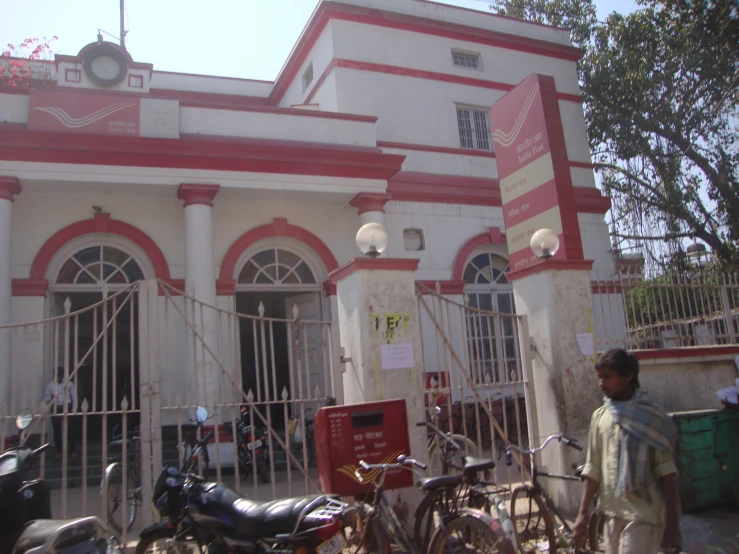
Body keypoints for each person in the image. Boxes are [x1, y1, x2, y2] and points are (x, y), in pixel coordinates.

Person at [573, 349, 682, 554]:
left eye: (607, 377)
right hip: (612, 513)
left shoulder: (650, 418)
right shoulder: (600, 417)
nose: (601, 383)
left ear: (628, 376)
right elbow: (593, 469)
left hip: (645, 515)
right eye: (599, 377)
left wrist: (673, 525)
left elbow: (666, 473)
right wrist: (582, 514)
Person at [44, 367, 79, 460]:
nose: (59, 377)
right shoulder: (50, 386)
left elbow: (74, 397)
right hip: (56, 408)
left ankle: (72, 450)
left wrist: (74, 409)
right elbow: (46, 398)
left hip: (67, 407)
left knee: (71, 429)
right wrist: (51, 397)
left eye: (60, 375)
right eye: (58, 376)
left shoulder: (69, 384)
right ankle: (59, 451)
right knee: (57, 430)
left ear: (63, 375)